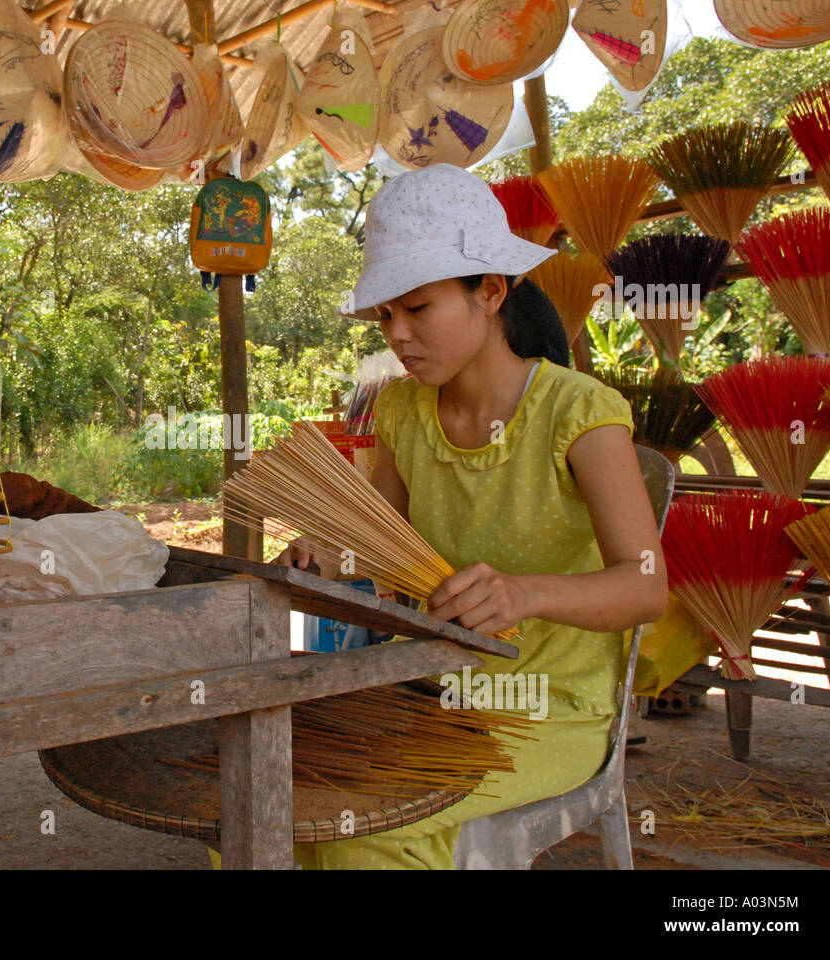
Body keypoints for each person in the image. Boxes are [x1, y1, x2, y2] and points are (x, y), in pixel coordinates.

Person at [274, 163, 667, 869]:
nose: (396, 334)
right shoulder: (402, 411)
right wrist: (328, 557)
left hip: (546, 707)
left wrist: (526, 592)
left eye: (417, 308)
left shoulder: (577, 413)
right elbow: (379, 544)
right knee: (260, 789)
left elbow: (645, 587)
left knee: (364, 829)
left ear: (489, 292)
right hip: (423, 681)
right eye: (385, 315)